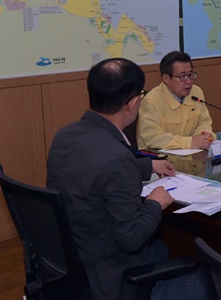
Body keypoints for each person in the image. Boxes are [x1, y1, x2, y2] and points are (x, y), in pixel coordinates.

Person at [47, 58, 209, 299]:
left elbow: (95, 169)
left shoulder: (65, 135)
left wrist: (145, 166)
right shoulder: (116, 157)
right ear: (133, 104)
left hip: (70, 260)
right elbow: (131, 238)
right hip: (106, 278)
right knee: (207, 280)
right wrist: (156, 202)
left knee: (161, 249)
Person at [137, 51, 214, 150]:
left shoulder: (196, 92)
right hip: (159, 159)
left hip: (190, 156)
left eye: (190, 75)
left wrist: (203, 137)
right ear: (166, 78)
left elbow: (204, 121)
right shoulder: (151, 101)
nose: (189, 81)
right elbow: (153, 138)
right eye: (183, 76)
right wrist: (190, 142)